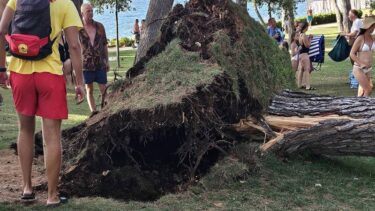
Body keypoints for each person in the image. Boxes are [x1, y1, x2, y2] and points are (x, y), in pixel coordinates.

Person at [0, 0, 84, 206]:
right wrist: (80, 82)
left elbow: (1, 30)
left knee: (25, 130)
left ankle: (27, 188)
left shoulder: (17, 0)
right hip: (49, 74)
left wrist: (2, 68)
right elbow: (74, 45)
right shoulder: (64, 3)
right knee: (51, 137)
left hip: (20, 73)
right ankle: (52, 196)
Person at [80, 3, 109, 115]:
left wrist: (107, 60)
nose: (91, 13)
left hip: (100, 63)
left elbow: (105, 44)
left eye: (92, 11)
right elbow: (75, 48)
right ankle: (93, 112)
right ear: (82, 13)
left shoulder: (100, 26)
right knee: (89, 89)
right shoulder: (78, 29)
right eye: (88, 11)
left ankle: (106, 109)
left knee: (104, 88)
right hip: (86, 65)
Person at [350, 16, 375, 97]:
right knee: (368, 89)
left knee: (362, 92)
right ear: (369, 26)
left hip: (368, 69)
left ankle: (357, 107)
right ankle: (363, 108)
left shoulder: (372, 37)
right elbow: (352, 54)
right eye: (374, 26)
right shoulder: (360, 38)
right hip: (359, 68)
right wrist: (361, 64)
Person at [297, 22, 315, 90]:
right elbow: (307, 45)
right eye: (307, 26)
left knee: (301, 70)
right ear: (305, 27)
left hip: (301, 55)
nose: (308, 28)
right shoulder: (304, 35)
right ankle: (308, 86)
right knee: (307, 69)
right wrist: (310, 38)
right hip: (305, 55)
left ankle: (299, 85)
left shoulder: (300, 34)